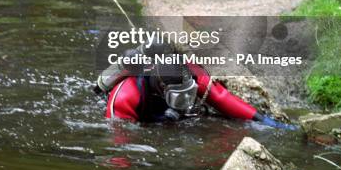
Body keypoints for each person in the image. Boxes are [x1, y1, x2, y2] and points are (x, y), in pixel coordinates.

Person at [95, 43, 297, 128]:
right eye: (179, 97)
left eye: (188, 93)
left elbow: (223, 98)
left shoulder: (190, 73)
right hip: (142, 116)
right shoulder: (125, 97)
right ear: (162, 89)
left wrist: (265, 121)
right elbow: (120, 142)